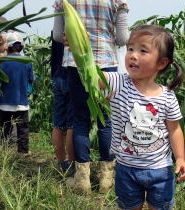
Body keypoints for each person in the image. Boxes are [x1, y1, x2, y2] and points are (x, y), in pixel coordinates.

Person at [99, 25, 185, 210]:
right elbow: (91, 75)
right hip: (126, 168)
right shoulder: (118, 83)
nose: (133, 55)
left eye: (142, 51)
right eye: (130, 48)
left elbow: (175, 129)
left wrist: (180, 158)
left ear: (161, 63)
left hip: (160, 170)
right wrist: (78, 49)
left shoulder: (167, 96)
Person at [52, 0, 129, 194]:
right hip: (106, 65)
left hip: (75, 64)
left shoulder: (64, 1)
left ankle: (82, 180)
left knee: (80, 121)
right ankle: (106, 179)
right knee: (106, 121)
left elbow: (57, 36)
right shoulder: (118, 1)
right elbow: (122, 39)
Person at [0, 31, 34, 155]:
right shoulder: (27, 61)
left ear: (7, 47)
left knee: (6, 129)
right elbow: (31, 79)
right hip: (22, 102)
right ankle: (23, 153)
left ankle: (6, 153)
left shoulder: (1, 63)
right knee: (23, 129)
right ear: (22, 47)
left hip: (4, 102)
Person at [51, 38, 75, 173]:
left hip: (58, 75)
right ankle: (72, 164)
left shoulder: (58, 28)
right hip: (72, 76)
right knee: (72, 124)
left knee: (58, 124)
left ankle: (61, 164)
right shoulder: (80, 23)